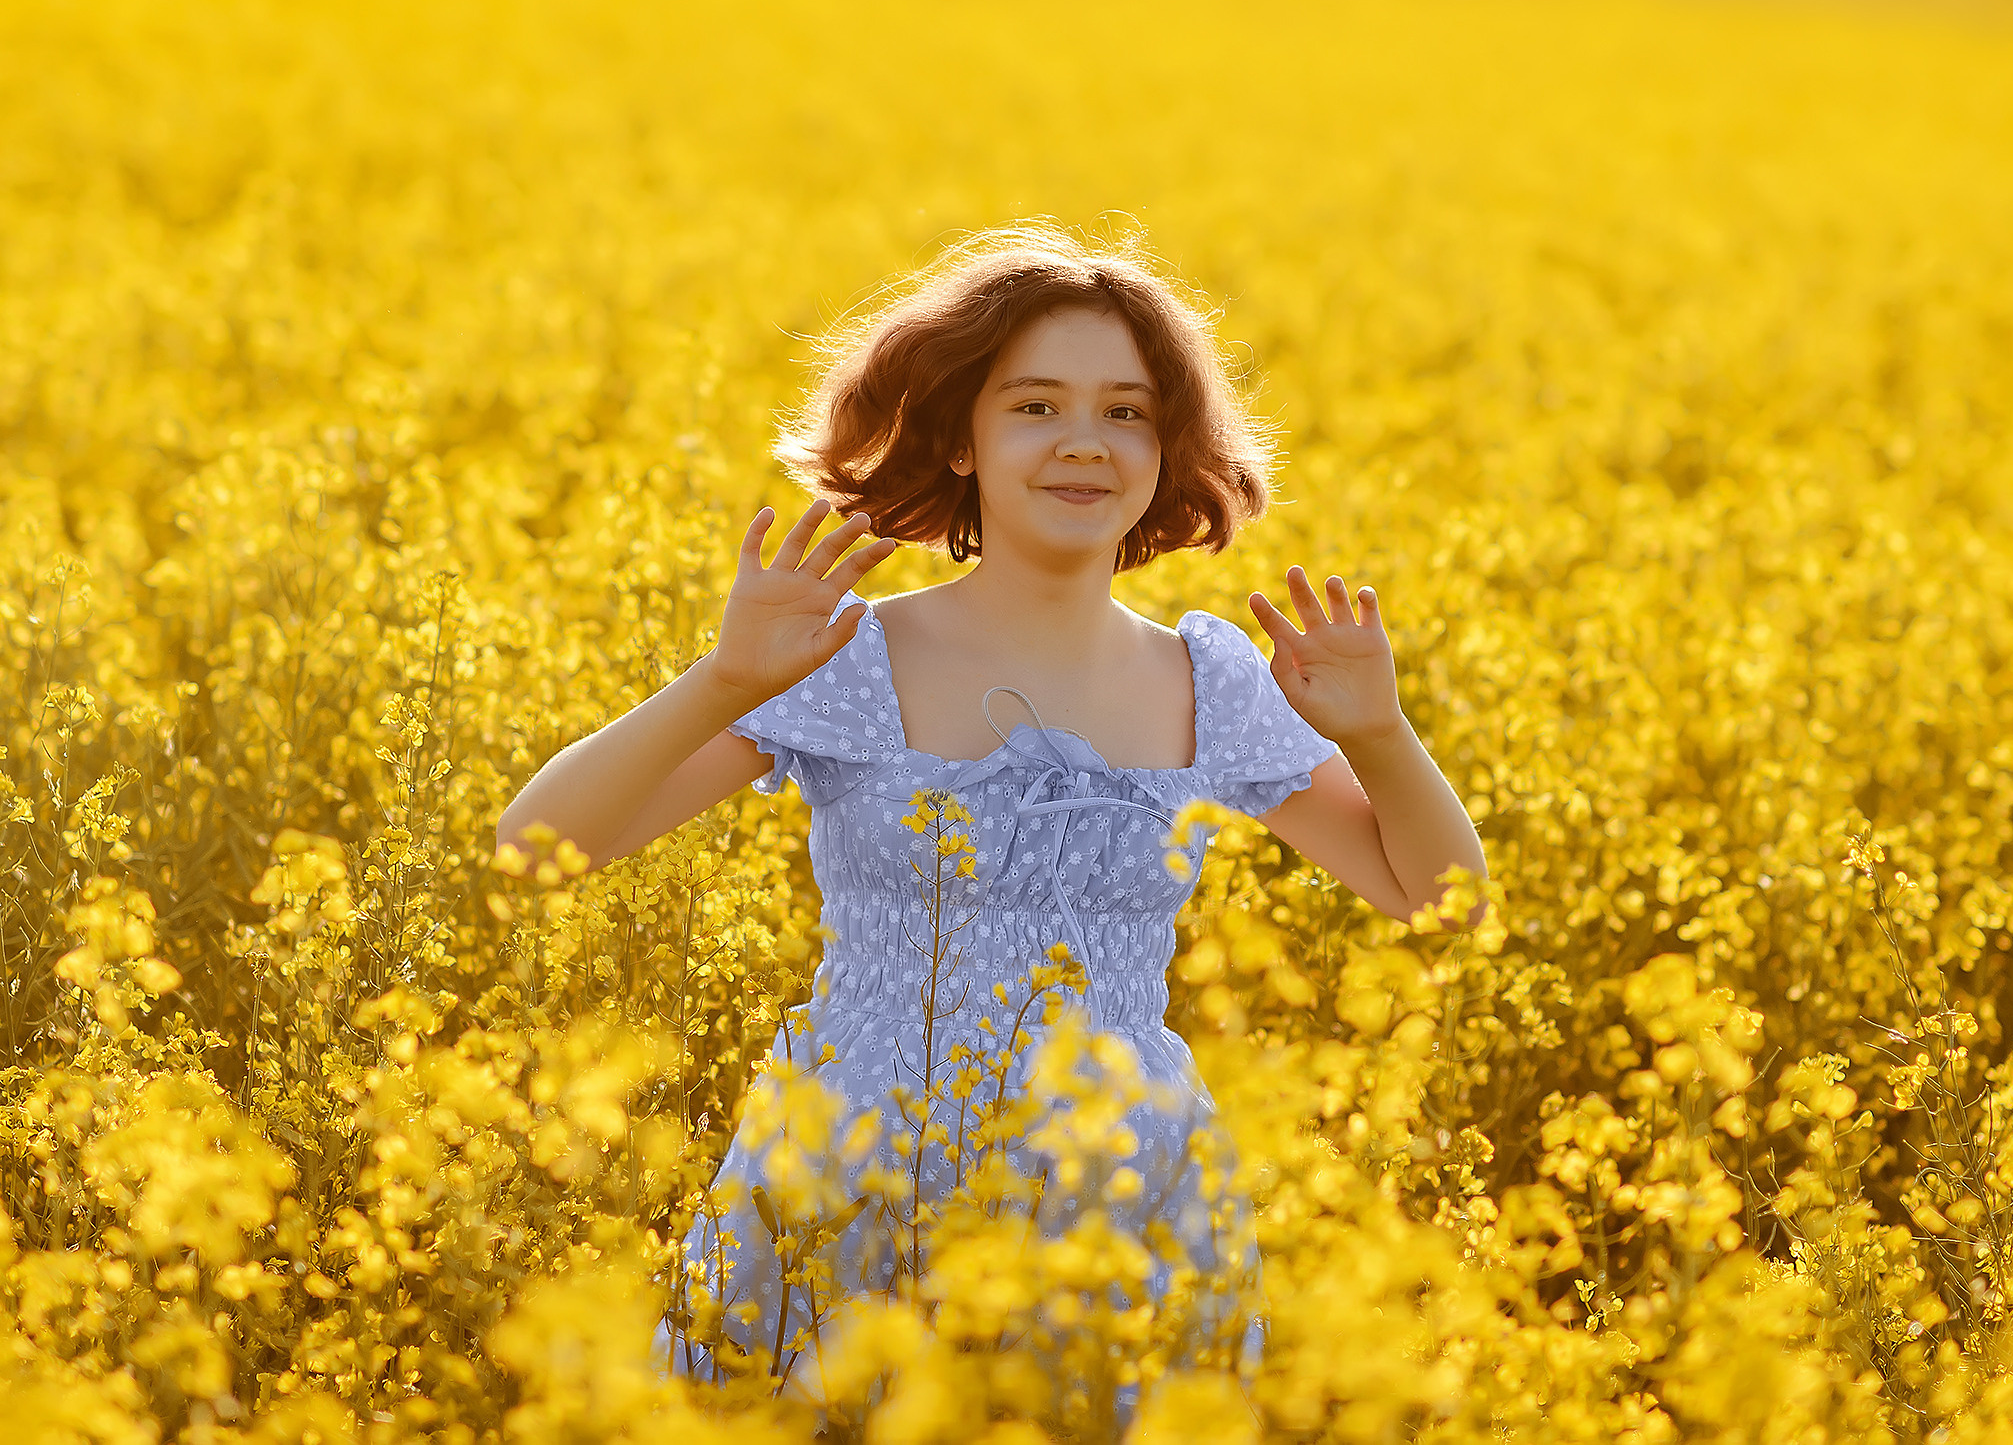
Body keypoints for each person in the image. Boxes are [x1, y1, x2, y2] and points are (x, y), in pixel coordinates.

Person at [493, 225, 1487, 1420]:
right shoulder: (853, 657)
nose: (1084, 441)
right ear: (961, 439)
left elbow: (1439, 900)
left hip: (1119, 1212)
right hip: (851, 1198)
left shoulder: (1207, 682)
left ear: (1168, 451)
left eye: (1127, 413)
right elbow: (537, 852)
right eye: (1035, 406)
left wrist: (1382, 733)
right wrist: (725, 680)